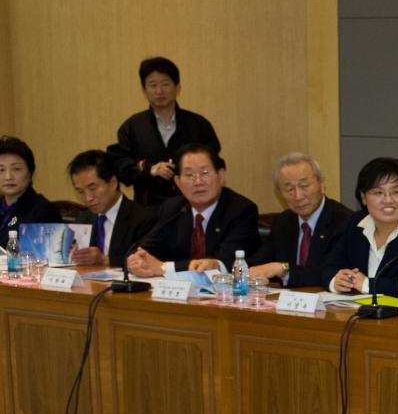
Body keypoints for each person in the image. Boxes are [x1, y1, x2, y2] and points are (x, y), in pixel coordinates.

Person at [128, 144, 260, 276]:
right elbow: (140, 251)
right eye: (189, 175)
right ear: (178, 182)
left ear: (220, 176)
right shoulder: (173, 209)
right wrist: (138, 261)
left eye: (205, 173)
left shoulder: (241, 210)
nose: (198, 182)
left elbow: (223, 263)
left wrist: (164, 268)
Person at [107, 57, 221, 209]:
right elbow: (119, 165)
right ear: (144, 90)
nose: (159, 91)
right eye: (153, 85)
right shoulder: (132, 126)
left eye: (165, 84)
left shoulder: (199, 124)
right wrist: (149, 168)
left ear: (177, 87)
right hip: (148, 211)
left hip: (191, 208)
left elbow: (214, 164)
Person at [323, 156, 398, 298]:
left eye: (396, 192)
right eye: (378, 193)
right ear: (363, 197)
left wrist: (368, 285)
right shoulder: (356, 223)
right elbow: (328, 266)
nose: (388, 200)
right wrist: (336, 281)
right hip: (357, 313)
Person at [248, 153, 354, 287]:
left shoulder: (345, 222)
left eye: (304, 186)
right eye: (289, 189)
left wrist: (283, 270)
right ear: (280, 193)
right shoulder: (283, 222)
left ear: (321, 183)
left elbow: (329, 272)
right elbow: (259, 263)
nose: (298, 196)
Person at [66, 150, 157, 267]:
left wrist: (105, 260)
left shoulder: (143, 219)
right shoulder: (83, 219)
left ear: (113, 182)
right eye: (81, 192)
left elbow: (147, 261)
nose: (88, 198)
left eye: (92, 188)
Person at [0, 136, 62, 234]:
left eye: (16, 169)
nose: (8, 177)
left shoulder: (43, 211)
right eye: (1, 170)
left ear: (30, 173)